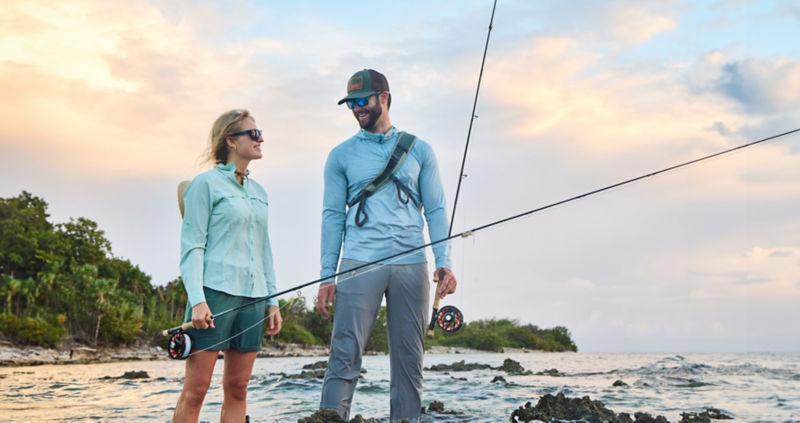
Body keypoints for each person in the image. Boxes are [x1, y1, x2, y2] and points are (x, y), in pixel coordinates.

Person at [316, 69, 458, 421]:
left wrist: (445, 261)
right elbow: (332, 216)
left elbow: (437, 209)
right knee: (344, 354)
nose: (356, 109)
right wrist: (326, 275)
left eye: (362, 101)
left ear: (384, 97)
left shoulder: (420, 149)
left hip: (412, 264)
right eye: (350, 103)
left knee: (410, 361)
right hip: (358, 263)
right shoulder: (340, 155)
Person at [172, 109, 282, 423]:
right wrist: (198, 300)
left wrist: (272, 301)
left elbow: (265, 250)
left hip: (254, 297)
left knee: (238, 388)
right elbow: (192, 246)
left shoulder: (260, 193)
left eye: (260, 133)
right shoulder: (204, 184)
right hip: (215, 295)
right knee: (196, 390)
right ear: (231, 140)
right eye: (254, 134)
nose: (261, 139)